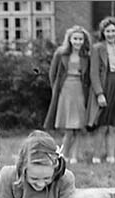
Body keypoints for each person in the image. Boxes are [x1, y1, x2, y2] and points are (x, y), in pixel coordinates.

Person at [44, 25, 91, 164]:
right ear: (70, 39)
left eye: (80, 39)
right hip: (65, 90)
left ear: (84, 40)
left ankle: (75, 156)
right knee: (69, 127)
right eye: (75, 39)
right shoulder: (61, 53)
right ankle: (63, 155)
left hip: (80, 90)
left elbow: (88, 76)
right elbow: (52, 73)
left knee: (78, 126)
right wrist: (55, 89)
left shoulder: (86, 55)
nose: (77, 42)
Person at [87, 16, 115, 164]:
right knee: (102, 124)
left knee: (113, 125)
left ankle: (111, 156)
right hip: (104, 85)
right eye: (108, 31)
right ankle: (96, 156)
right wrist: (99, 93)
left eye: (113, 31)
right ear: (103, 32)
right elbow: (93, 73)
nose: (111, 34)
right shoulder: (97, 48)